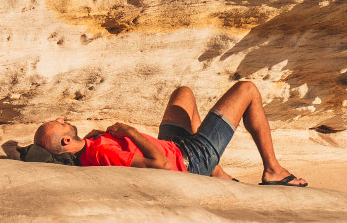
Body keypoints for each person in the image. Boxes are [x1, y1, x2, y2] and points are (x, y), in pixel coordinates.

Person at [31, 79, 306, 187]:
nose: (61, 118)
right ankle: (273, 171)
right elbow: (160, 165)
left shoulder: (91, 147)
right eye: (59, 123)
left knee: (183, 94)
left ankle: (218, 173)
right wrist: (130, 131)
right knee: (247, 90)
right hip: (189, 159)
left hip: (172, 145)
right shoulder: (100, 151)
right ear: (67, 141)